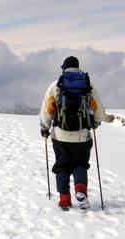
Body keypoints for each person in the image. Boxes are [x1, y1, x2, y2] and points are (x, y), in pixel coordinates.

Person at [39, 56, 110, 209]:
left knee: (62, 166)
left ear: (64, 68)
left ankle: (64, 199)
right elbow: (99, 111)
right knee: (80, 164)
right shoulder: (88, 85)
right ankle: (81, 190)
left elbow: (47, 110)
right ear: (78, 68)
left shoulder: (55, 85)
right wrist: (95, 123)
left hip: (59, 135)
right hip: (81, 136)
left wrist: (44, 128)